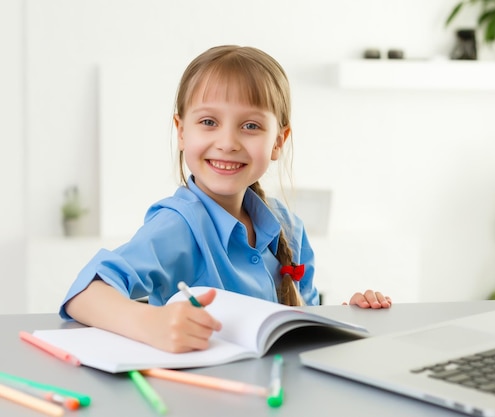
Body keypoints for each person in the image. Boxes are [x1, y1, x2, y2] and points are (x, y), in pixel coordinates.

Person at [60, 45, 392, 353]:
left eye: (250, 125)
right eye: (208, 122)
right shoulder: (178, 224)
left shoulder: (289, 227)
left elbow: (300, 326)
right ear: (181, 131)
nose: (227, 142)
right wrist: (152, 323)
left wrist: (349, 317)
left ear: (279, 141)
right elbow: (83, 294)